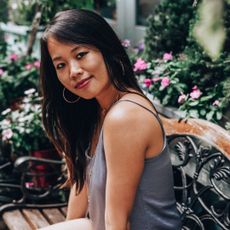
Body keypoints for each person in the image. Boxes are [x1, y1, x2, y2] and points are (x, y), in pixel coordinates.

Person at [39, 9, 181, 230]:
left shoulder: (125, 117)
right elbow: (81, 186)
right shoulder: (98, 111)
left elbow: (117, 222)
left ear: (105, 48)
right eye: (61, 65)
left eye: (80, 54)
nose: (73, 71)